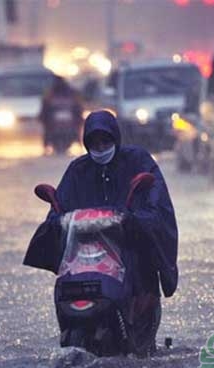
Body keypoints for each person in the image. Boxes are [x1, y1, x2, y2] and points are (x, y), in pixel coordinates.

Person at [23, 110, 178, 352]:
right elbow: (60, 206)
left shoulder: (138, 161)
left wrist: (134, 219)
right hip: (86, 255)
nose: (101, 147)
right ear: (86, 144)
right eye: (94, 143)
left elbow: (156, 203)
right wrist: (56, 221)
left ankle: (142, 335)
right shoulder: (78, 170)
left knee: (142, 269)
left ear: (116, 139)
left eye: (105, 141)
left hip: (129, 246)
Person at [38, 76, 83, 153]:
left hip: (69, 121)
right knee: (47, 129)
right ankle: (46, 145)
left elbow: (78, 108)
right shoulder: (50, 93)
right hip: (54, 121)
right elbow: (45, 108)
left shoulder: (71, 93)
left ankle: (79, 142)